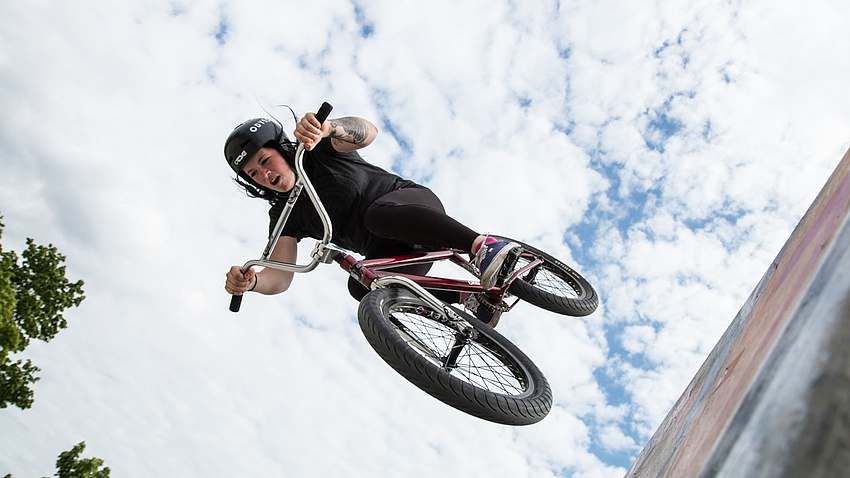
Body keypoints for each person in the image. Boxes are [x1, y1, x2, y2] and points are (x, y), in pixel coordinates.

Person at [223, 108, 519, 326]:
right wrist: (252, 283)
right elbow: (280, 275)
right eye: (253, 174)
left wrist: (329, 128)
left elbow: (367, 132)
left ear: (280, 149)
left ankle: (482, 246)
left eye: (265, 161)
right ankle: (470, 300)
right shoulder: (284, 215)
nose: (265, 174)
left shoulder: (315, 153)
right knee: (361, 285)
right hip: (398, 257)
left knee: (377, 217)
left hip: (411, 209)